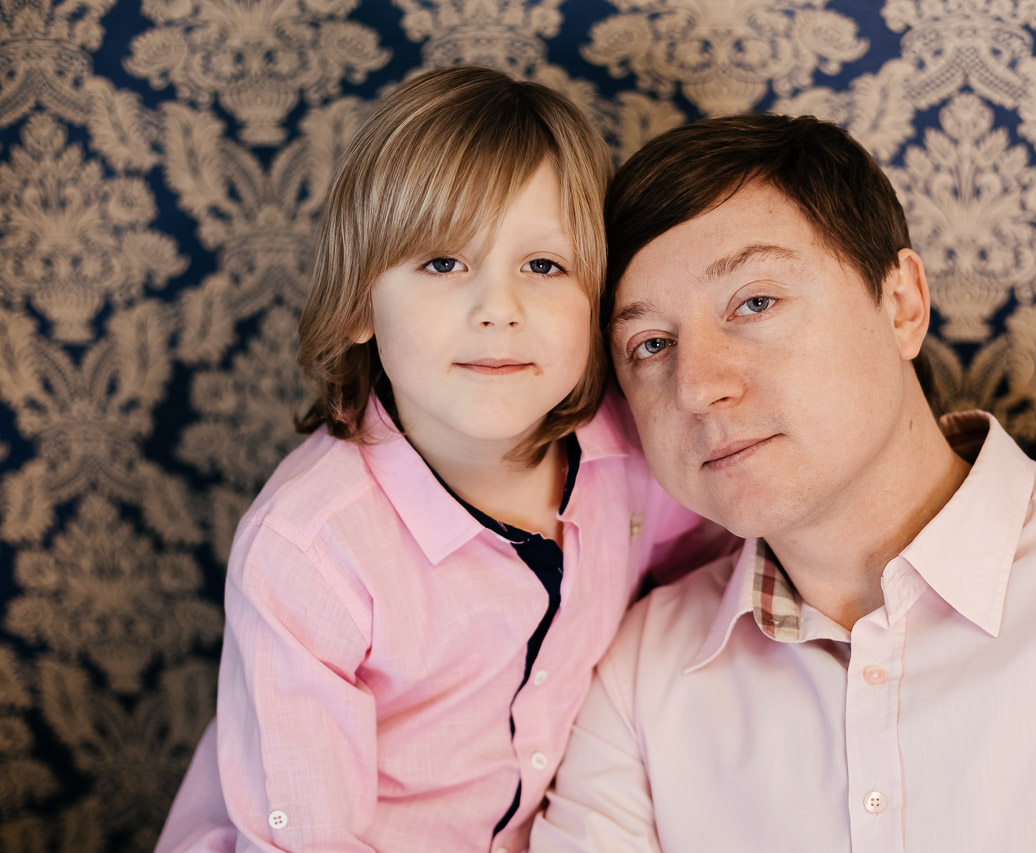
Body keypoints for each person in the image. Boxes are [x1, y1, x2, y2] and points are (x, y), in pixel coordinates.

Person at [529, 114, 1036, 852]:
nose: (698, 386)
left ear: (902, 306)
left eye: (755, 303)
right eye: (649, 344)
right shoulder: (637, 677)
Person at [154, 66, 723, 853]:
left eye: (544, 266)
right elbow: (306, 839)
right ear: (360, 303)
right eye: (443, 263)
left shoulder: (633, 459)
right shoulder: (309, 551)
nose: (498, 309)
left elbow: (727, 567)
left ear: (597, 304)